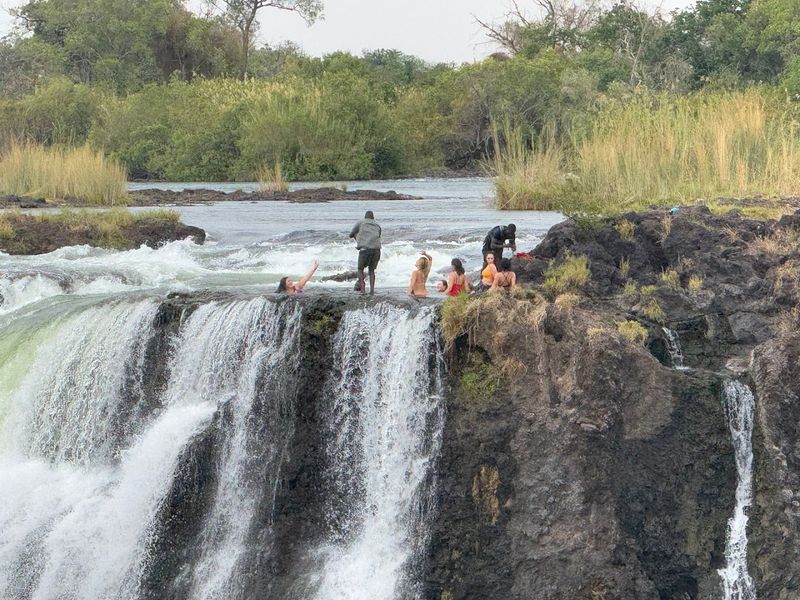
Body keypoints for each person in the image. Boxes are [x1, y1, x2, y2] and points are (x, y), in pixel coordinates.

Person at [349, 210, 382, 294]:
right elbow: (378, 236)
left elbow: (351, 234)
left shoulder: (361, 222)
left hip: (364, 250)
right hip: (377, 251)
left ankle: (363, 290)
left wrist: (358, 240)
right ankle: (372, 290)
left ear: (365, 217)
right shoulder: (377, 225)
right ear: (373, 218)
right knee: (371, 271)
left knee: (360, 269)